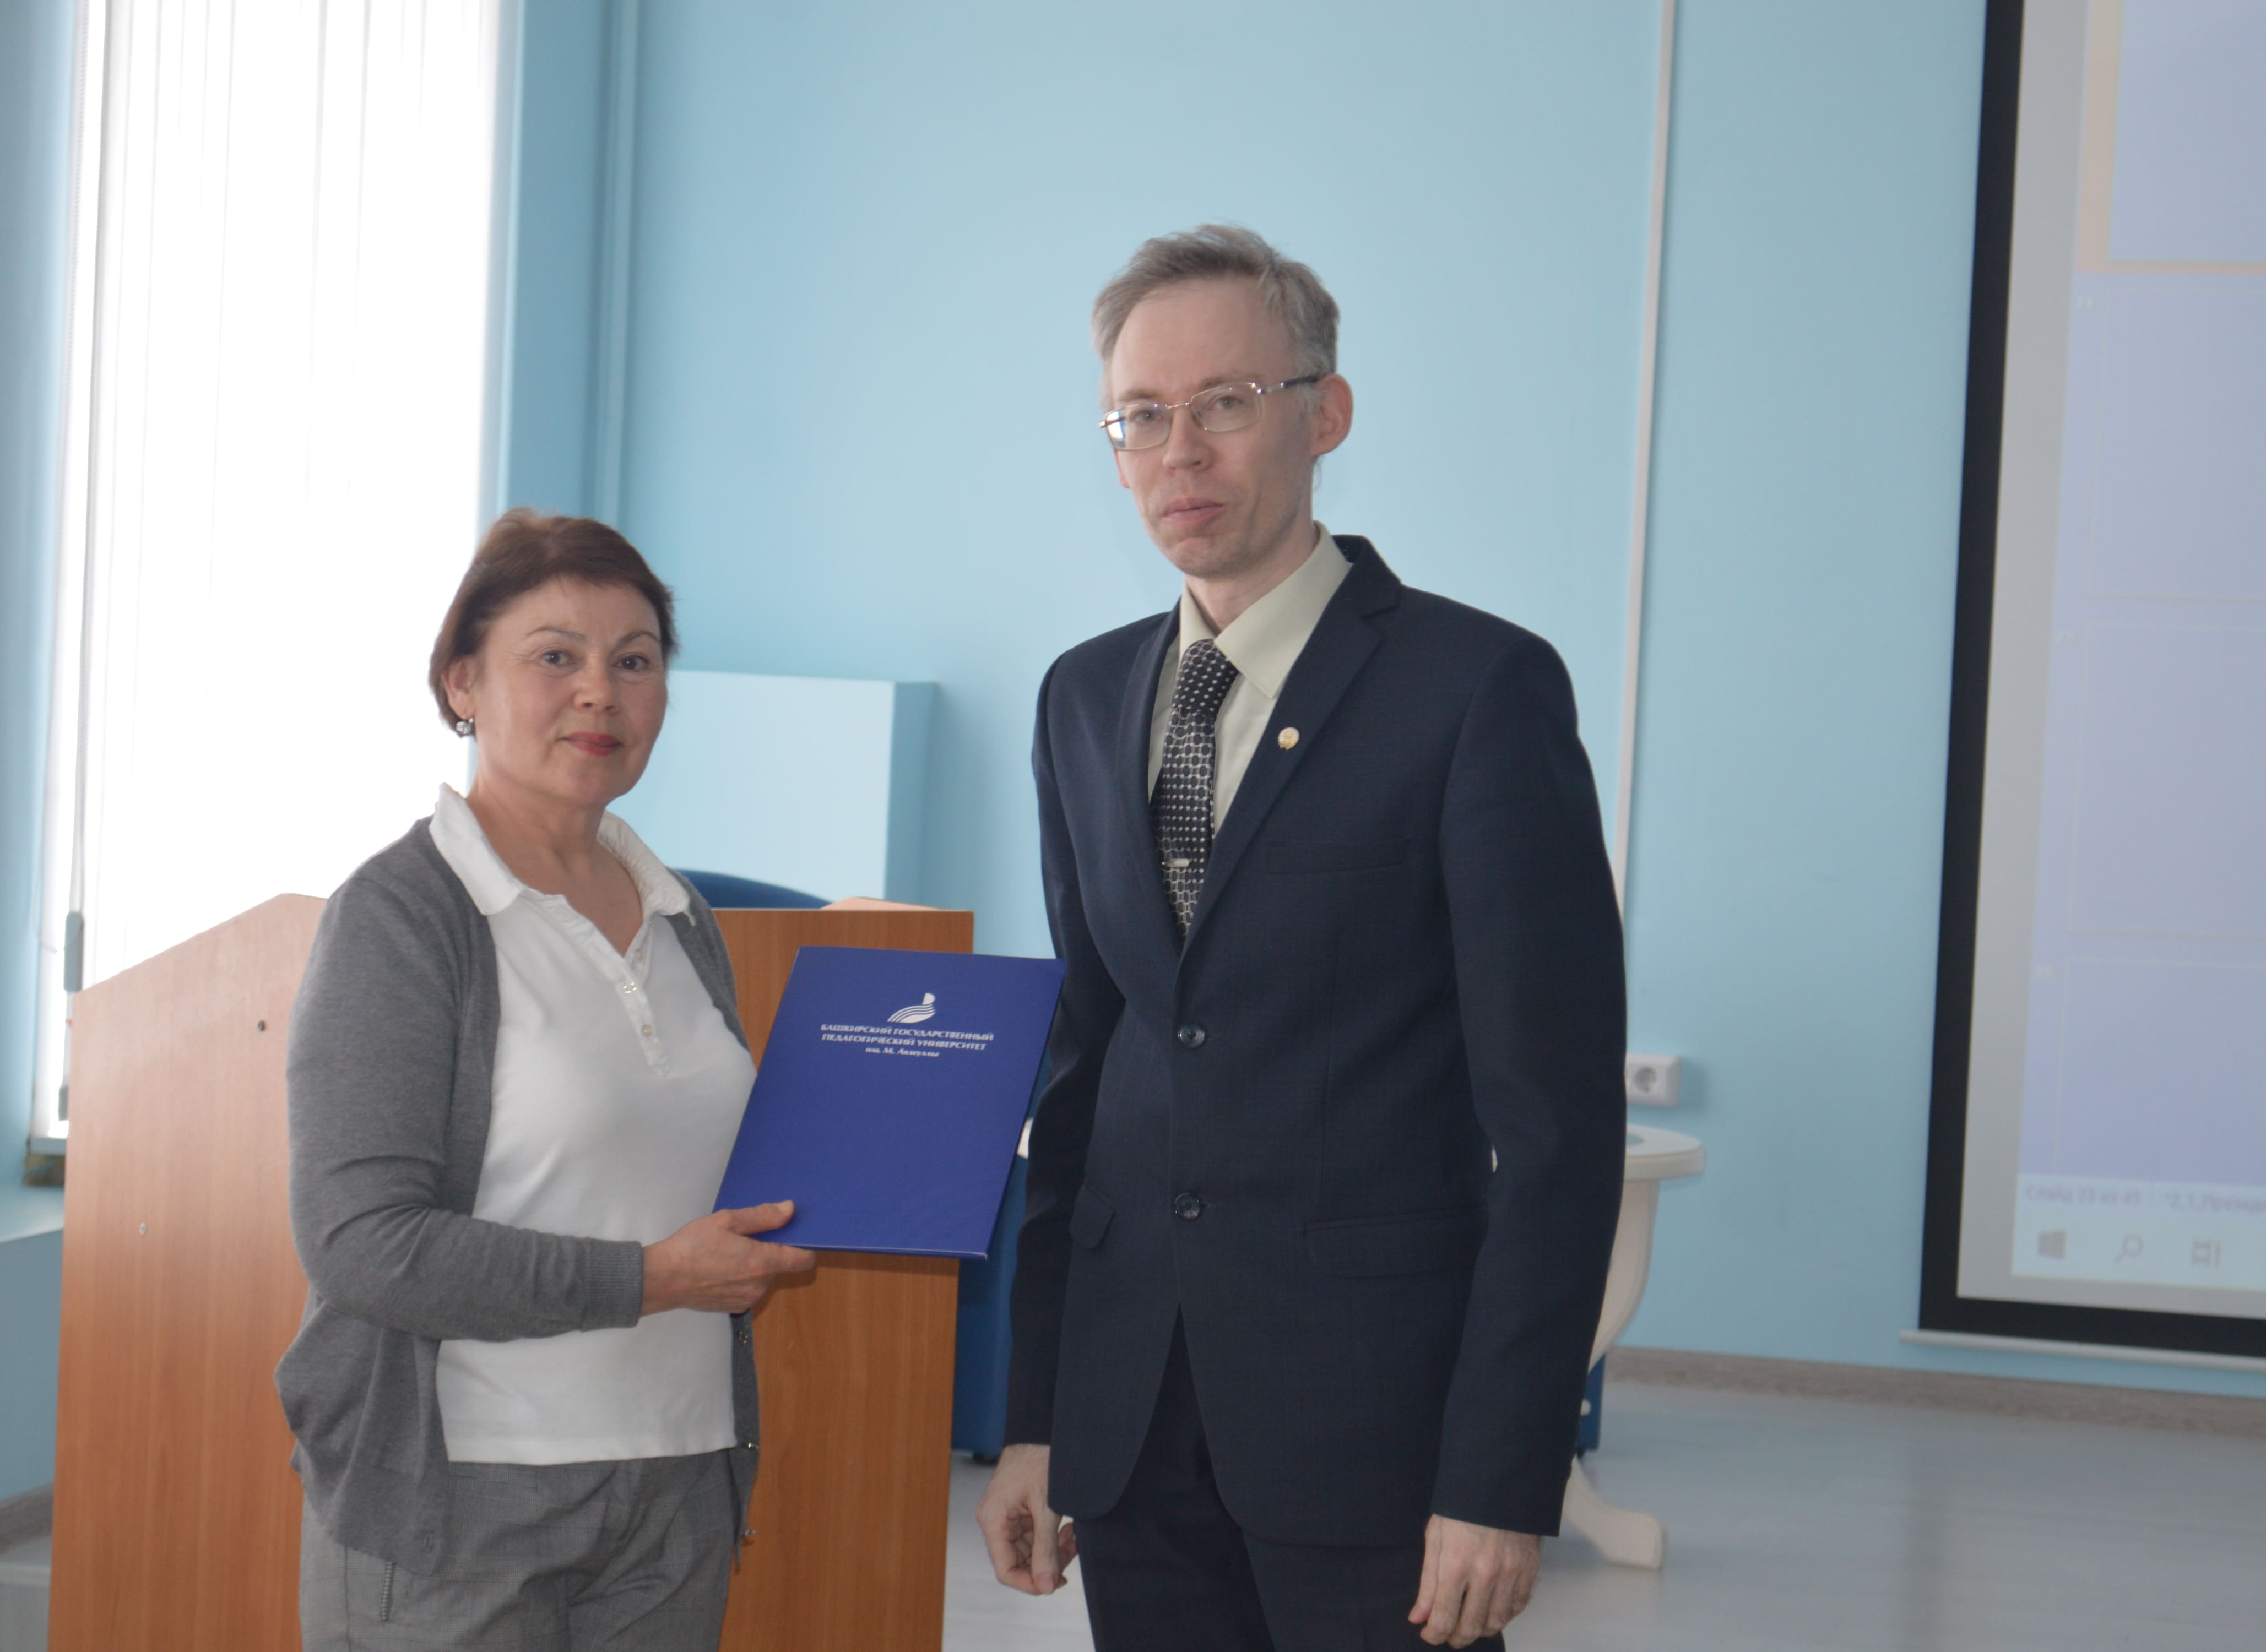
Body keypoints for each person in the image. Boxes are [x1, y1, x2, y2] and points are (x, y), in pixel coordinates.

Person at [977, 225, 1627, 1650]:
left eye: (1225, 403)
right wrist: (1039, 1414)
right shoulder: (1084, 700)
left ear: (1324, 413)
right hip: (1135, 1434)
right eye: (1140, 416)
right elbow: (1084, 1075)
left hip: (1376, 1442)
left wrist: (1498, 1477)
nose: (1179, 452)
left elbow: (1557, 1131)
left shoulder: (1476, 691)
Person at [276, 510, 816, 1651]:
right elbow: (363, 1244)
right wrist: (651, 1279)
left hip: (677, 1479)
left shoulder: (681, 915)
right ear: (463, 682)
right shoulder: (401, 916)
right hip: (459, 1499)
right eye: (556, 656)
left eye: (636, 661)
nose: (599, 694)